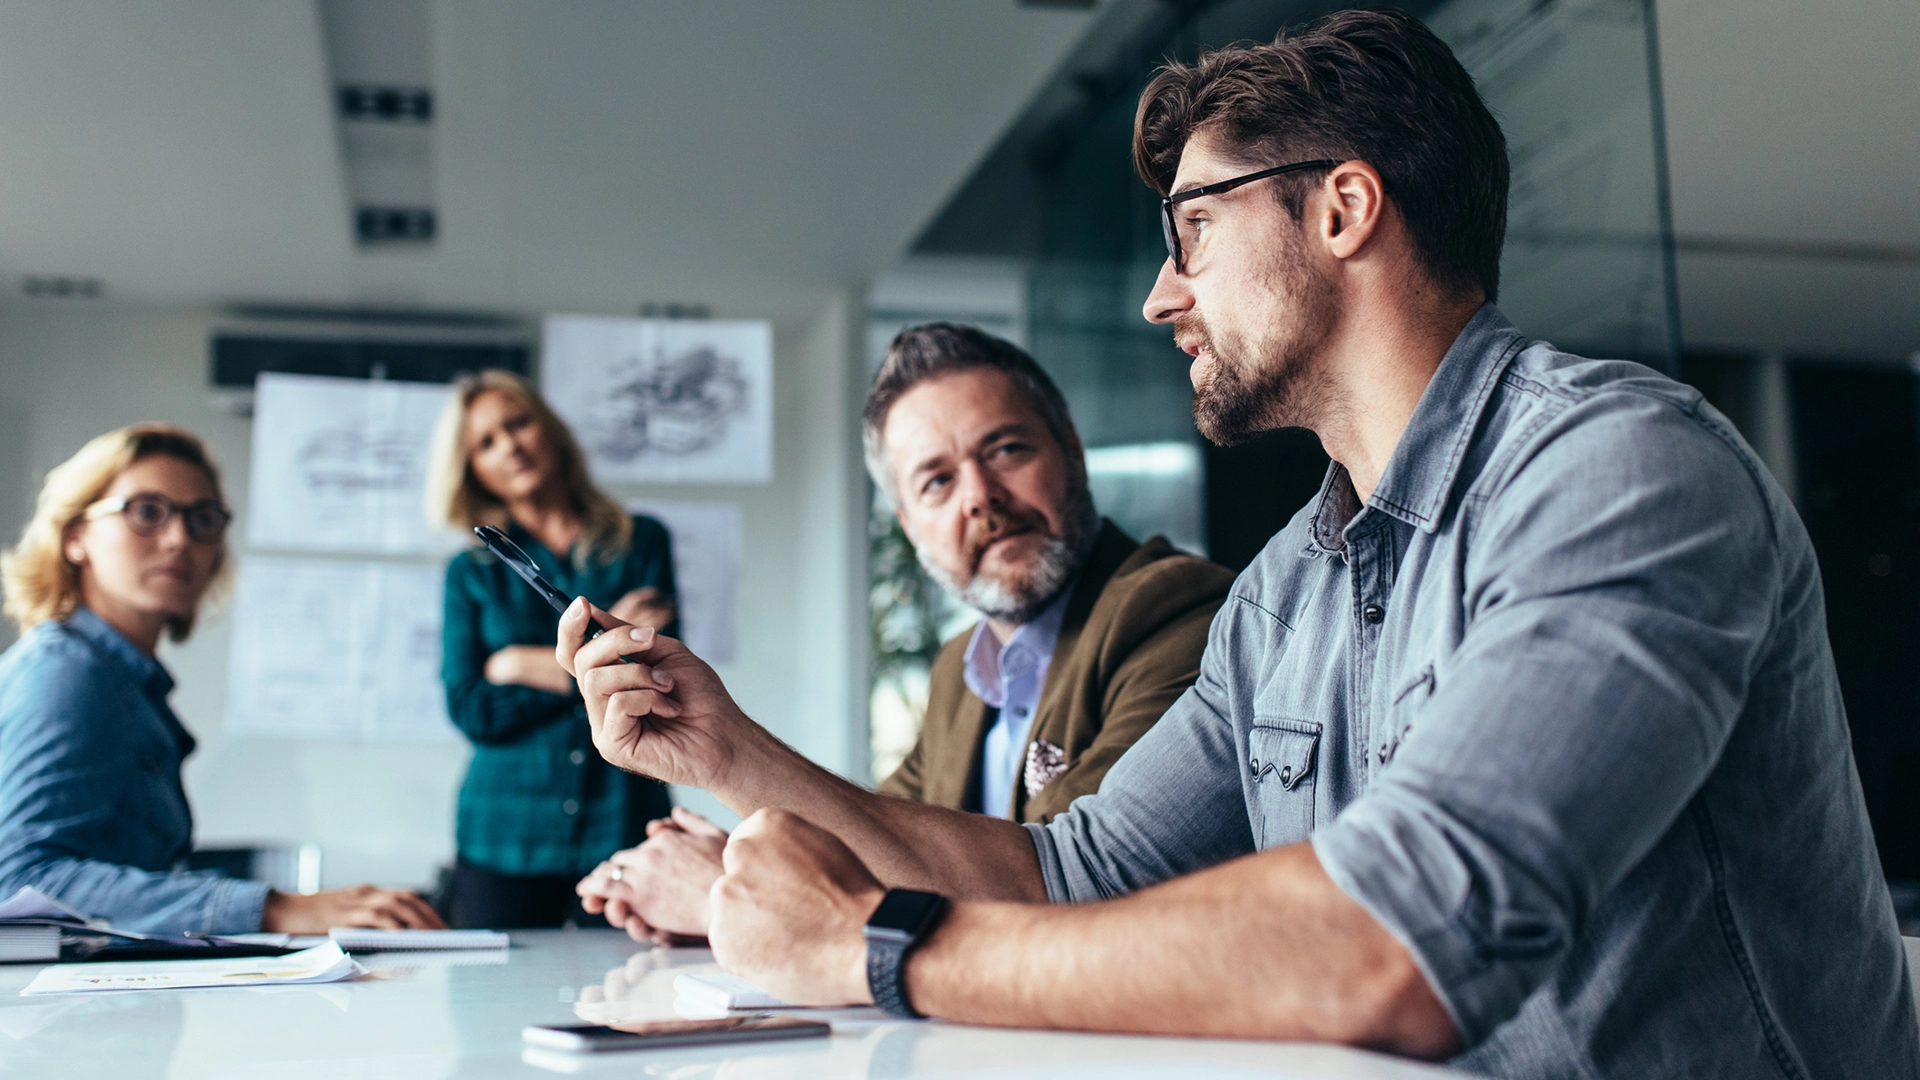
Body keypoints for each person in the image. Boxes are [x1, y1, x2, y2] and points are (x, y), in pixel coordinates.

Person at [556, 10, 1917, 1078]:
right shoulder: (1287, 592)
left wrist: (876, 948)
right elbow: (1069, 875)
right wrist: (722, 751)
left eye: (1195, 232)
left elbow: (1400, 947)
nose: (1161, 296)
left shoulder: (1622, 471)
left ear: (1341, 210)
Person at [574, 324, 1233, 941]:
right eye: (937, 481)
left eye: (1005, 450)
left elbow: (1064, 889)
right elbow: (878, 842)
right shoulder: (960, 670)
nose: (979, 496)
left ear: (1071, 451)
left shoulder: (1176, 611)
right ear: (909, 524)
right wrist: (743, 849)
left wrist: (727, 888)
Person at [0, 423, 443, 934]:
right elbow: (22, 882)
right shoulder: (66, 673)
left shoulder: (125, 683)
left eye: (202, 519)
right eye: (146, 512)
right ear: (75, 536)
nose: (179, 538)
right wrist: (275, 908)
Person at [427, 370, 678, 929]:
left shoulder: (642, 543)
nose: (510, 445)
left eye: (518, 424)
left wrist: (515, 665)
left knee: (631, 997)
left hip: (622, 822)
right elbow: (471, 707)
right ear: (473, 470)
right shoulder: (471, 574)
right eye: (486, 442)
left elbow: (656, 677)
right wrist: (598, 662)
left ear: (549, 430)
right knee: (494, 1009)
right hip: (504, 833)